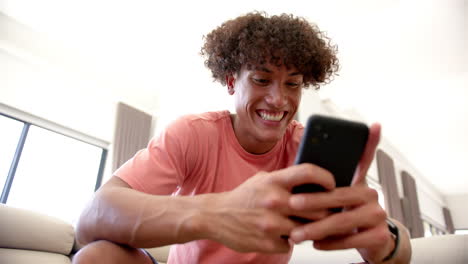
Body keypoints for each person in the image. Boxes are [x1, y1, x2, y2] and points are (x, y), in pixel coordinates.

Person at [73, 12, 411, 264]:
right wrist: (215, 213)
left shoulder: (304, 150)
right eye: (263, 80)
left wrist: (385, 241)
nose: (279, 100)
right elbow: (90, 221)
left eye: (292, 84)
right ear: (232, 82)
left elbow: (397, 250)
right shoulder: (193, 134)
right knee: (96, 257)